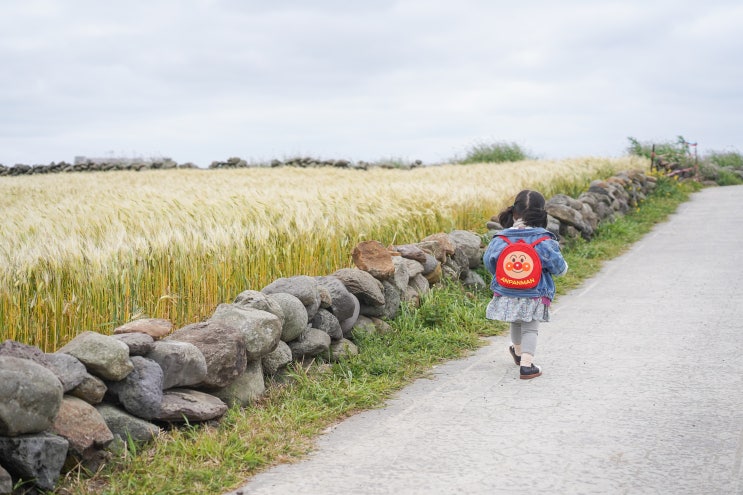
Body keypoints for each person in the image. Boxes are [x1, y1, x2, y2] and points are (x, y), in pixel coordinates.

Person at [483, 189, 568, 379]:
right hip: (534, 291)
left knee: (516, 320)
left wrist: (507, 277)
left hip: (507, 290)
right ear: (541, 214)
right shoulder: (544, 240)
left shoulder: (500, 238)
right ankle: (527, 366)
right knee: (530, 326)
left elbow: (489, 263)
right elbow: (559, 268)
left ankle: (519, 352)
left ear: (514, 212)